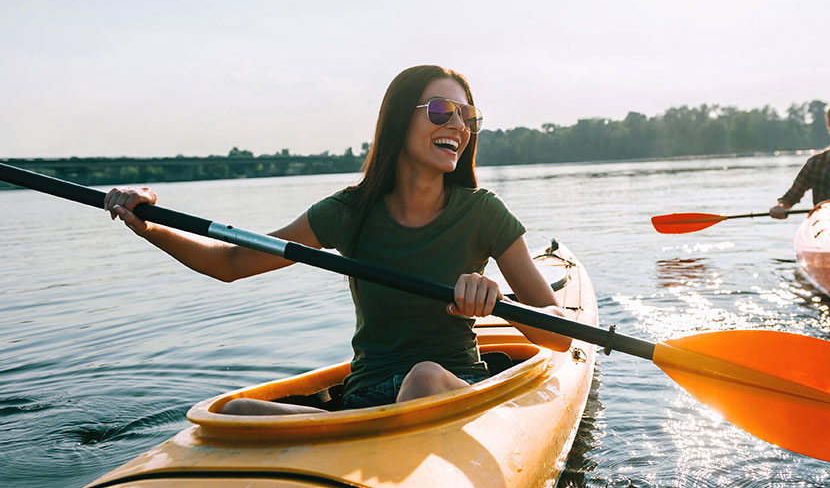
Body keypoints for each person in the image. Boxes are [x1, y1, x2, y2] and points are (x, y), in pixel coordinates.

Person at [104, 65, 572, 414]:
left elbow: (557, 336)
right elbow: (231, 262)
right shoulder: (349, 212)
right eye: (440, 110)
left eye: (468, 115)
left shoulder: (483, 212)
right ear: (398, 120)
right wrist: (149, 224)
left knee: (424, 377)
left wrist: (495, 301)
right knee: (233, 410)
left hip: (449, 387)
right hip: (365, 398)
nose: (458, 125)